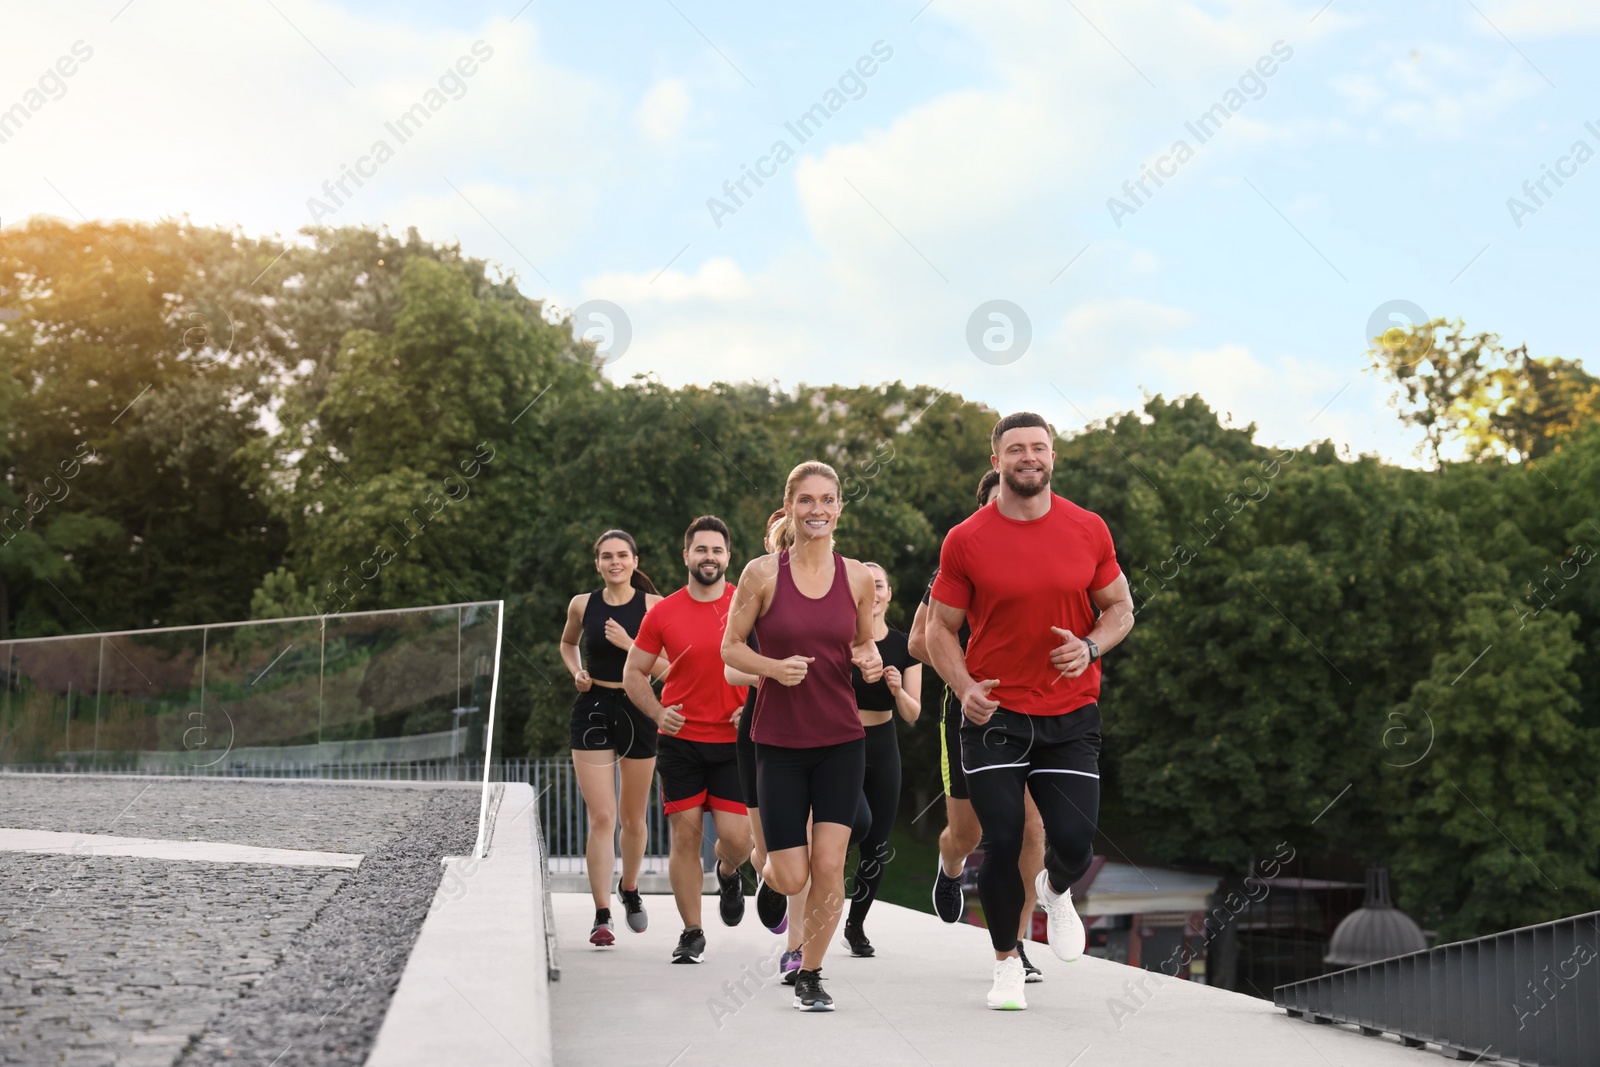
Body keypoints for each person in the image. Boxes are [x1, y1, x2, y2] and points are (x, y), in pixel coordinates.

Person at [924, 413, 1135, 1011]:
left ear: (1053, 456)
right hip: (996, 716)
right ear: (996, 461)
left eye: (1038, 447)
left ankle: (1055, 890)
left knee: (1072, 842)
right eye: (1015, 449)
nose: (1028, 457)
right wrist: (963, 685)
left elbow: (1120, 608)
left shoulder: (1088, 529)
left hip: (1070, 714)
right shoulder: (966, 538)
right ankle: (1006, 964)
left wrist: (1092, 645)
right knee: (1003, 838)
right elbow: (939, 629)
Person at [723, 461, 883, 1013]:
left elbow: (863, 643)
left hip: (841, 739)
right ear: (790, 506)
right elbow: (730, 648)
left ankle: (812, 972)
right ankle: (768, 878)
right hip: (781, 743)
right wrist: (771, 667)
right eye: (807, 500)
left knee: (831, 863)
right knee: (792, 873)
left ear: (840, 506)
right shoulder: (761, 574)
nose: (818, 509)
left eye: (828, 499)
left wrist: (868, 662)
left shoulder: (858, 576)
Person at [908, 470, 1050, 983]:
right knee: (967, 835)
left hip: (1034, 711)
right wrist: (968, 667)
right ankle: (948, 869)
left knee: (1030, 831)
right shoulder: (961, 557)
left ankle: (1016, 944)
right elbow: (918, 642)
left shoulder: (1045, 556)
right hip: (971, 713)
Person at [624, 516, 753, 965]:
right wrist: (658, 711)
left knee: (740, 840)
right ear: (686, 556)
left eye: (717, 550)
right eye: (701, 550)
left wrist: (753, 703)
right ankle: (692, 932)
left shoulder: (748, 604)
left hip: (735, 742)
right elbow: (633, 673)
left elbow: (772, 666)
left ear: (728, 556)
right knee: (683, 837)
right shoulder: (662, 612)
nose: (709, 558)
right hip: (680, 741)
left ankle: (728, 870)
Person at [560, 529, 665, 947]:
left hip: (638, 708)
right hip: (594, 708)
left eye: (622, 555)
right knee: (602, 817)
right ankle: (602, 915)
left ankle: (631, 887)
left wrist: (631, 644)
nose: (615, 562)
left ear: (635, 562)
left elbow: (670, 667)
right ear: (598, 563)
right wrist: (576, 672)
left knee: (633, 819)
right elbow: (568, 644)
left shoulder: (654, 606)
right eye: (607, 556)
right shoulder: (582, 604)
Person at [726, 510, 810, 983]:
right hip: (760, 733)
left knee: (813, 845)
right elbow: (729, 666)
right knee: (768, 853)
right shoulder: (757, 588)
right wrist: (775, 671)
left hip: (818, 734)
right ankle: (767, 877)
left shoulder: (835, 588)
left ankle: (797, 950)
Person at [840, 562, 920, 958]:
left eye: (880, 586)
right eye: (866, 586)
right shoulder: (841, 640)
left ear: (888, 595)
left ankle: (856, 925)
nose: (873, 592)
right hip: (842, 741)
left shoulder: (905, 646)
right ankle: (828, 878)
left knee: (876, 844)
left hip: (884, 743)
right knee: (853, 824)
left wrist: (896, 688)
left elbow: (912, 712)